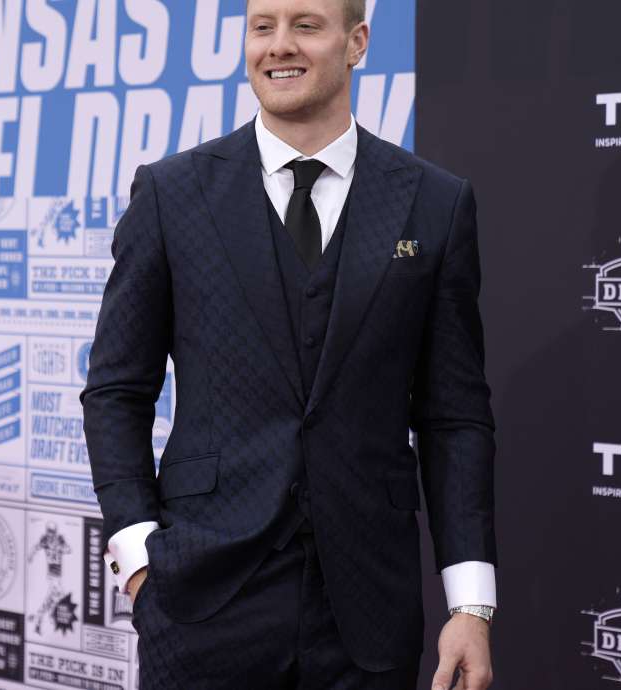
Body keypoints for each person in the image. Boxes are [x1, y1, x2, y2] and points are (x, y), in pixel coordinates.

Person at [80, 0, 496, 687]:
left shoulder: (434, 203)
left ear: (357, 43)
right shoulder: (172, 193)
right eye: (262, 26)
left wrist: (471, 604)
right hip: (201, 601)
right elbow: (116, 389)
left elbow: (455, 417)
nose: (279, 46)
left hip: (368, 611)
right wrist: (138, 559)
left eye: (306, 25)